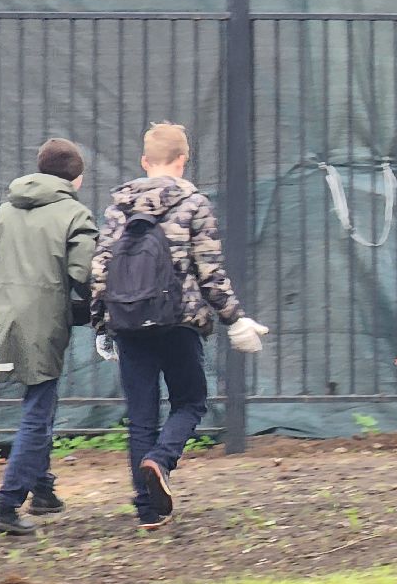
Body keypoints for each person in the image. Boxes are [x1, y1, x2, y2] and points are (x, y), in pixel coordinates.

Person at [90, 123, 268, 531]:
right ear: (183, 160)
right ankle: (162, 459)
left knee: (140, 417)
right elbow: (210, 272)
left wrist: (102, 322)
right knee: (189, 402)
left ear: (144, 161)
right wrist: (234, 319)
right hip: (178, 321)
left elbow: (100, 267)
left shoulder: (119, 205)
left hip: (129, 322)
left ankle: (147, 510)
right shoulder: (193, 204)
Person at [0, 139, 98, 535]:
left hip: (7, 312)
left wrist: (3, 294)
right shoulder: (75, 213)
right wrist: (96, 310)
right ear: (77, 179)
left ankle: (43, 491)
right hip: (44, 318)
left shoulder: (8, 208)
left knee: (39, 393)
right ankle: (5, 505)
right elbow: (86, 275)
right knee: (38, 407)